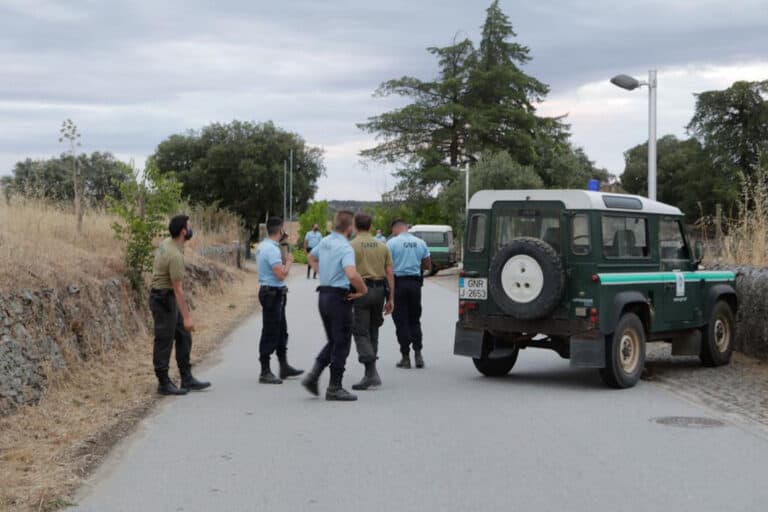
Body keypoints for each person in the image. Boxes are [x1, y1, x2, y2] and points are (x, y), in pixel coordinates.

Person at [302, 210, 368, 401]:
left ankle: (313, 376)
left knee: (333, 340)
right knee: (342, 342)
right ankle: (335, 387)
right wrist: (363, 290)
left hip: (323, 294)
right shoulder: (345, 247)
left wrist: (321, 273)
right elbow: (351, 274)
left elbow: (311, 257)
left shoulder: (325, 241)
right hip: (339, 298)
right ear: (350, 227)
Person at [149, 215, 211, 396]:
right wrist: (187, 317)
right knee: (164, 340)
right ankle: (163, 383)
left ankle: (187, 378)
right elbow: (178, 290)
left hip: (166, 296)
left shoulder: (169, 242)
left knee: (184, 336)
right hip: (163, 298)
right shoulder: (174, 254)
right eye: (189, 227)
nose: (191, 229)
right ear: (183, 231)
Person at [349, 213, 394, 390]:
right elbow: (390, 273)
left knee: (360, 332)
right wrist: (391, 298)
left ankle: (370, 372)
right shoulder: (382, 246)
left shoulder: (351, 246)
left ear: (355, 225)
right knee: (373, 330)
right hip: (380, 291)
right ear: (371, 225)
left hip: (362, 291)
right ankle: (371, 372)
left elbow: (349, 271)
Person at [256, 217, 304, 384]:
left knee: (282, 330)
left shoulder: (266, 245)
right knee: (270, 331)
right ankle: (265, 370)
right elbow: (281, 274)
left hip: (275, 292)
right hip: (272, 293)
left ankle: (284, 366)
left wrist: (283, 245)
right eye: (283, 229)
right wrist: (290, 262)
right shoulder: (271, 249)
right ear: (280, 230)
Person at [387, 219, 431, 369]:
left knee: (401, 321)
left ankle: (405, 357)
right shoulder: (420, 243)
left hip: (398, 284)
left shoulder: (391, 243)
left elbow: (387, 267)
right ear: (407, 228)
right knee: (415, 319)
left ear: (395, 229)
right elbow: (427, 265)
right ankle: (418, 354)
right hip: (414, 284)